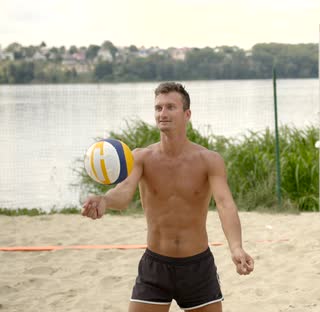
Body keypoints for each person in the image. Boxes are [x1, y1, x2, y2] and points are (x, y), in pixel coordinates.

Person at [82, 82, 254, 312]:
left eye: (170, 107)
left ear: (187, 114)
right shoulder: (141, 157)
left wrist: (236, 247)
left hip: (198, 266)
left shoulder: (209, 159)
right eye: (158, 108)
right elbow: (123, 193)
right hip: (155, 265)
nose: (162, 114)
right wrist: (104, 201)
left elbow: (225, 204)